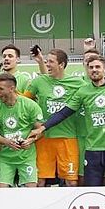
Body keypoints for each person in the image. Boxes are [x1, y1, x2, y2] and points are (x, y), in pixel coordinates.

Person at [41, 55, 105, 186]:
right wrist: (43, 127)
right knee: (92, 191)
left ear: (104, 69)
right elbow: (64, 113)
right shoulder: (83, 92)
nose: (94, 70)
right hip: (93, 150)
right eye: (91, 67)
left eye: (98, 67)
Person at [26, 48, 84, 187]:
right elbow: (24, 100)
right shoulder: (39, 81)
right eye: (46, 61)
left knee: (71, 181)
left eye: (51, 62)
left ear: (61, 64)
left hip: (67, 137)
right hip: (44, 137)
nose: (47, 64)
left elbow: (94, 90)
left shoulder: (78, 83)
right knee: (39, 180)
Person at [0, 74, 44, 188]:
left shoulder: (30, 105)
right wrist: (6, 142)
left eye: (1, 89)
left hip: (26, 157)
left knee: (31, 190)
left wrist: (30, 141)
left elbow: (40, 130)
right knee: (1, 190)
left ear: (11, 88)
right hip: (5, 158)